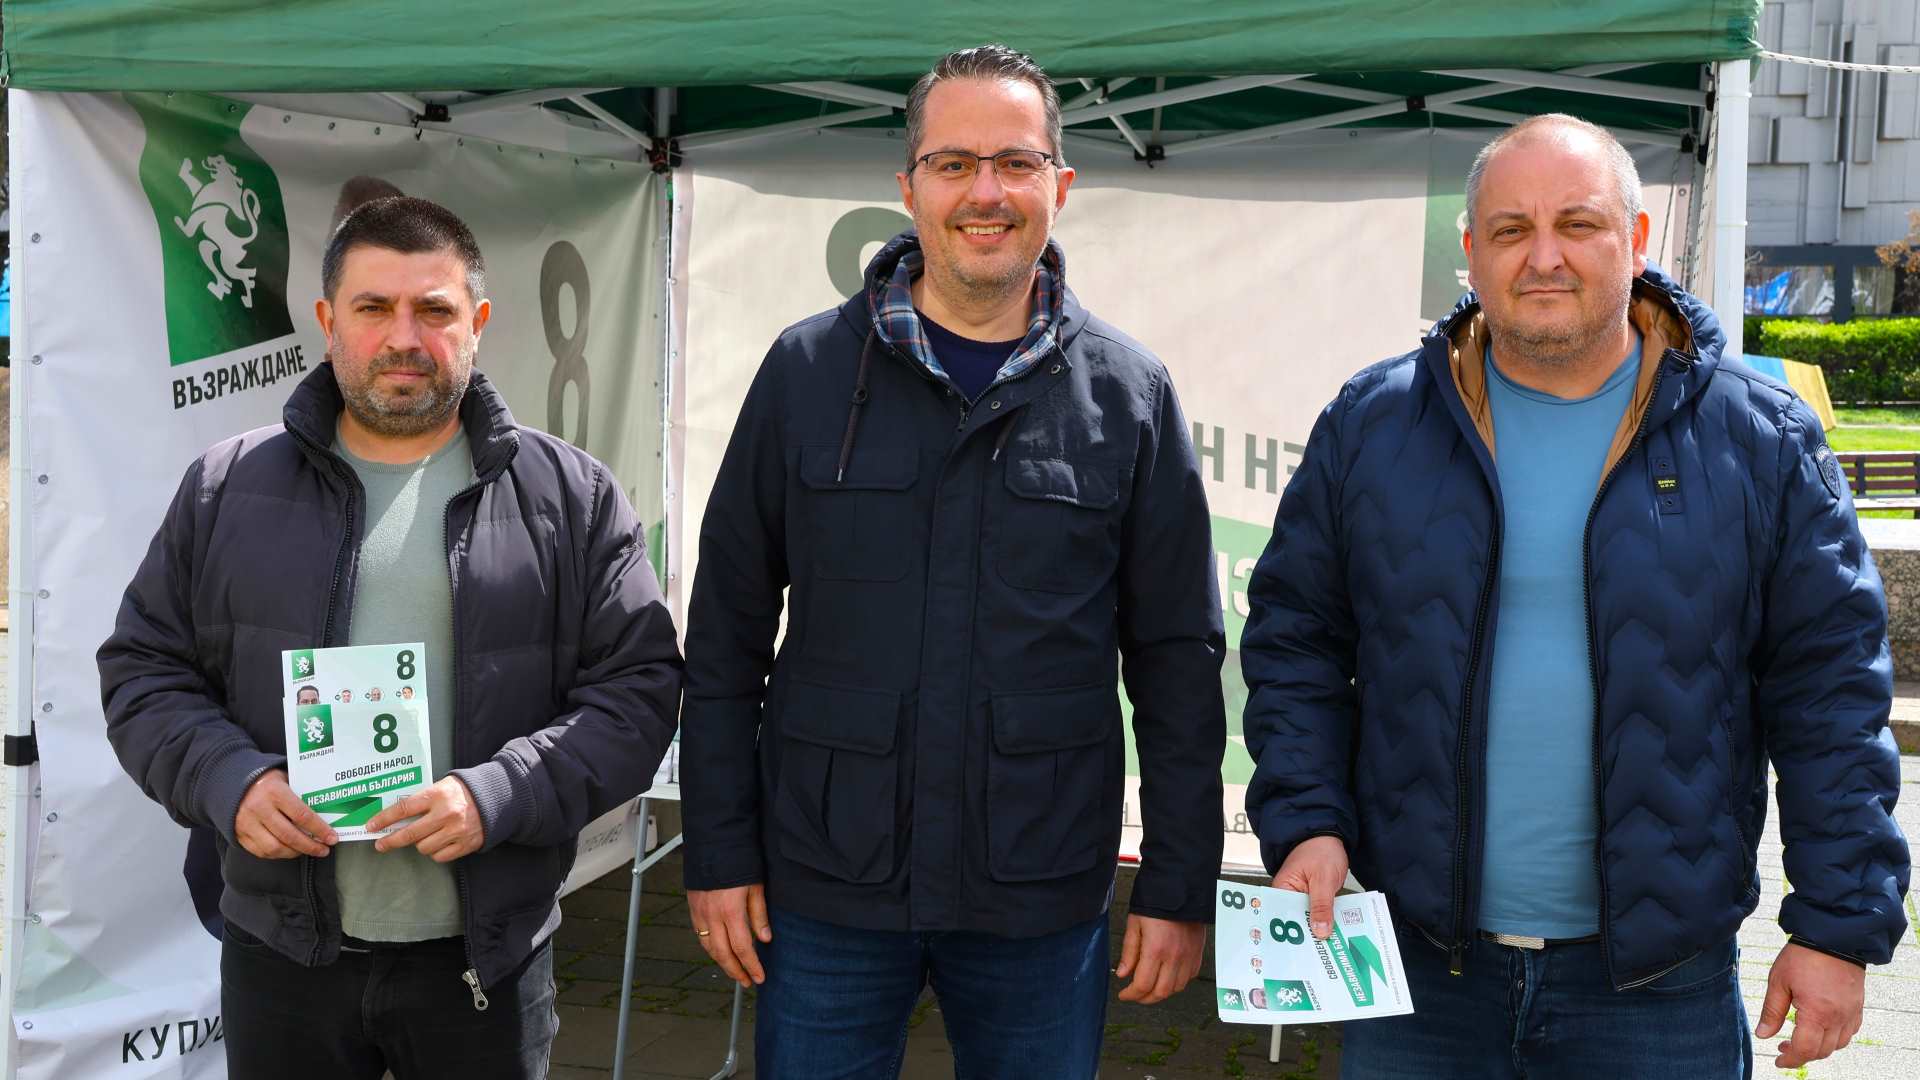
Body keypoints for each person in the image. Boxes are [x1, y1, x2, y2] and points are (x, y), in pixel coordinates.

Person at [1241, 113, 1909, 1077]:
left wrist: (1838, 925)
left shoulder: (1758, 439)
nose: (1544, 257)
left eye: (1579, 224)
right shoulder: (1374, 426)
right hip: (1419, 976)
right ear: (1472, 250)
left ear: (1636, 240)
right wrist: (1307, 819)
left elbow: (1831, 691)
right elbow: (1296, 640)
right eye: (1511, 229)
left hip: (1658, 988)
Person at [680, 43, 1226, 1079]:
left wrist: (1178, 878)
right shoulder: (805, 372)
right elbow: (724, 639)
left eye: (1017, 163)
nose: (986, 192)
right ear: (909, 186)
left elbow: (1179, 661)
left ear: (1061, 185)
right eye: (954, 163)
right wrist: (717, 849)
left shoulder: (1129, 395)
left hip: (1038, 885)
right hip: (828, 881)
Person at [99, 195, 683, 1080]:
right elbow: (142, 673)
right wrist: (230, 779)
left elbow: (639, 693)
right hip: (283, 957)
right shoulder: (225, 488)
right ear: (328, 319)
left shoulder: (570, 497)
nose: (403, 337)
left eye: (433, 310)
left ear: (477, 324)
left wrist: (500, 793)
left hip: (485, 961)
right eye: (373, 307)